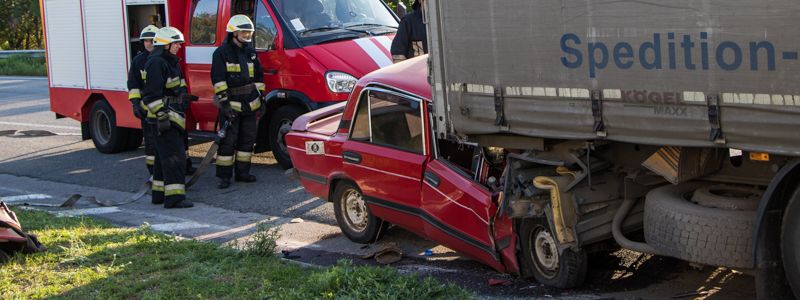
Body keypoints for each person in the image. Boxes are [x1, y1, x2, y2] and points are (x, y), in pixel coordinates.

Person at [141, 27, 193, 209]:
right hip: (164, 119)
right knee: (174, 159)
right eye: (176, 43)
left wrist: (183, 98)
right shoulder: (156, 63)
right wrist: (161, 114)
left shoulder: (171, 62)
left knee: (162, 159)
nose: (179, 46)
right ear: (165, 45)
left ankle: (159, 194)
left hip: (173, 116)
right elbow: (150, 95)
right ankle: (175, 198)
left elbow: (175, 87)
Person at [211, 15, 265, 189]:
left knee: (247, 140)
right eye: (244, 31)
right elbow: (218, 80)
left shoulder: (251, 52)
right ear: (233, 33)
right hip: (231, 105)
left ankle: (242, 173)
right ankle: (224, 176)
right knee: (228, 141)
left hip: (250, 103)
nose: (248, 35)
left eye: (249, 32)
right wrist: (224, 104)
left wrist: (261, 97)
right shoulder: (221, 53)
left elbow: (258, 77)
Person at [128, 25, 159, 177]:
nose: (149, 43)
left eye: (152, 40)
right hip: (147, 110)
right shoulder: (138, 61)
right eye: (146, 41)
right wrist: (135, 104)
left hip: (165, 108)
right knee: (151, 142)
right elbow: (133, 84)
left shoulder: (163, 59)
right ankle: (153, 172)